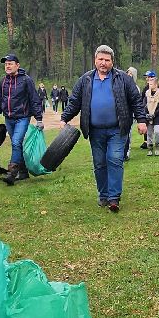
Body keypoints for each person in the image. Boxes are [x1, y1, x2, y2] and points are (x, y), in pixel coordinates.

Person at [61, 44, 148, 212]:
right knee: (99, 163)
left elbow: (136, 100)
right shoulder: (85, 80)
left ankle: (114, 198)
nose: (103, 63)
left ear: (112, 62)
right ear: (95, 60)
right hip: (95, 131)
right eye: (100, 59)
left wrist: (142, 120)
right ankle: (103, 195)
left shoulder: (123, 79)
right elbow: (74, 102)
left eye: (107, 60)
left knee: (115, 160)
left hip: (118, 129)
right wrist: (65, 118)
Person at [0, 53, 44, 186]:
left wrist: (39, 119)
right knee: (17, 144)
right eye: (6, 64)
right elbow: (0, 101)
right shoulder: (3, 81)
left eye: (10, 63)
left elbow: (34, 99)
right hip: (8, 118)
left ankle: (12, 173)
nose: (7, 66)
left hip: (23, 117)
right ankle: (24, 172)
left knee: (16, 142)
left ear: (17, 65)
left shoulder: (26, 80)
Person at [143, 71, 159, 156]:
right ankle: (149, 148)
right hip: (148, 117)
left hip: (157, 117)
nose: (149, 86)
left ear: (156, 84)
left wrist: (154, 114)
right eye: (149, 84)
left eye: (151, 84)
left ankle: (157, 146)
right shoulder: (146, 93)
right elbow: (144, 104)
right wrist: (146, 114)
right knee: (149, 133)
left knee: (157, 132)